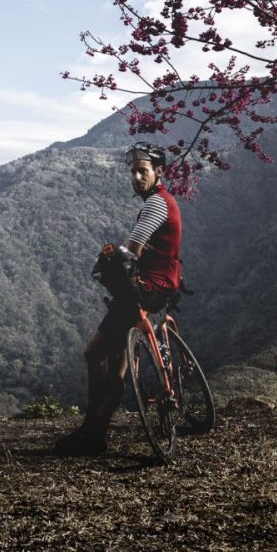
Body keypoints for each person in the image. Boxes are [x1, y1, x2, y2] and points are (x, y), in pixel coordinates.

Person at [54, 141, 183, 456]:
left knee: (94, 353)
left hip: (145, 289)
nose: (137, 177)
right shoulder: (165, 202)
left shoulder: (155, 204)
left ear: (158, 172)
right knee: (119, 361)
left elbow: (130, 252)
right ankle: (95, 431)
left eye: (143, 171)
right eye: (133, 172)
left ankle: (91, 431)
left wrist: (109, 261)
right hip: (163, 286)